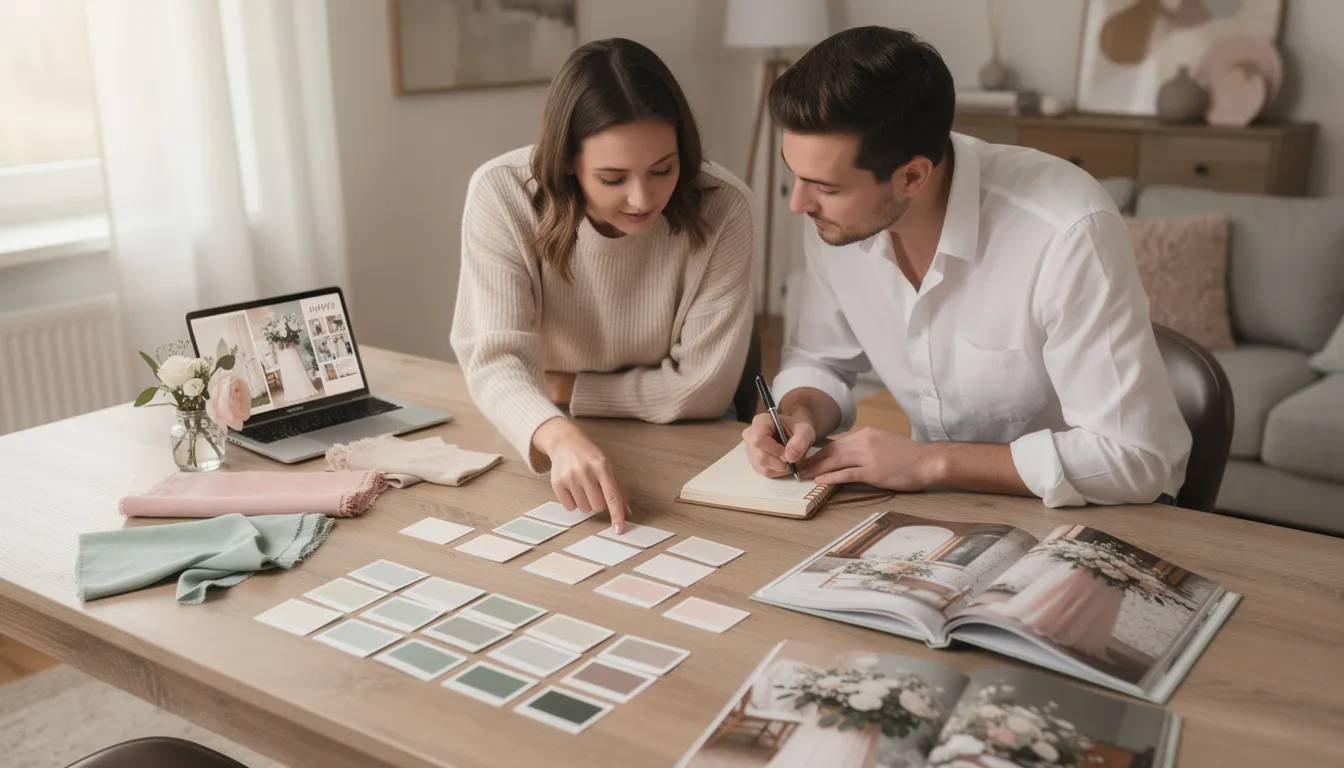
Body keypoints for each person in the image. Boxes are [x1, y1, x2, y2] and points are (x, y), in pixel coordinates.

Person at [742, 27, 1191, 507]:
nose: (797, 203)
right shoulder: (835, 220)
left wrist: (928, 462)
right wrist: (800, 415)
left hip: (1102, 508)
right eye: (796, 175)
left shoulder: (1067, 230)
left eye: (826, 188)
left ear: (912, 176)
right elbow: (821, 358)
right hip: (941, 503)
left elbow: (1134, 458)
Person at [451, 38, 755, 533]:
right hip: (544, 424)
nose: (642, 198)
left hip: (684, 438)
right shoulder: (502, 193)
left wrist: (566, 388)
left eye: (663, 169)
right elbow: (494, 361)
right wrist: (558, 434)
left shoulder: (723, 207)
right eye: (613, 178)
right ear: (567, 160)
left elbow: (700, 390)